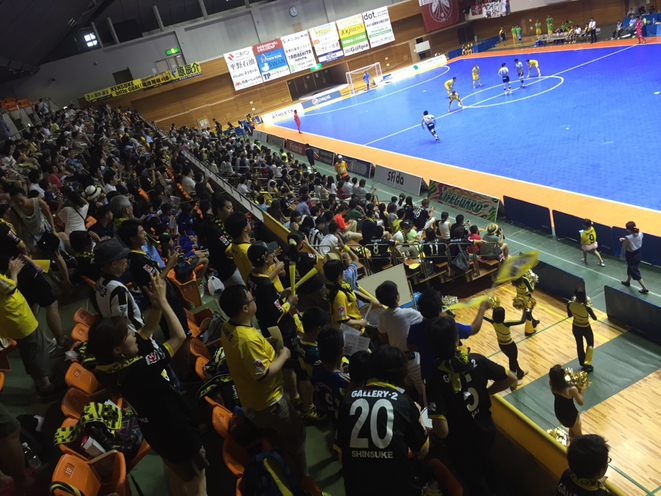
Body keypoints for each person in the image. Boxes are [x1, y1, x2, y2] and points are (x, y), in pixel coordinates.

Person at [88, 275, 208, 496]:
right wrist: (164, 303)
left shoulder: (113, 367)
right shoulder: (139, 369)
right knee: (197, 478)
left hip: (156, 432)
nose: (134, 334)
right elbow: (179, 335)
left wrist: (155, 306)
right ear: (117, 349)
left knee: (178, 472)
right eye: (128, 334)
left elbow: (146, 331)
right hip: (176, 431)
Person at [218, 285, 308, 477]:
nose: (254, 301)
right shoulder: (247, 340)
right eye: (251, 300)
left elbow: (247, 355)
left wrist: (265, 343)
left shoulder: (228, 327)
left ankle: (285, 466)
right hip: (269, 402)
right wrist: (283, 355)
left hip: (251, 400)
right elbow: (264, 376)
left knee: (276, 437)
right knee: (296, 435)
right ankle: (302, 478)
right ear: (245, 308)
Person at [426, 316, 516, 496]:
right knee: (487, 463)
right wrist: (487, 392)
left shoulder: (434, 379)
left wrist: (432, 429)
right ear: (456, 339)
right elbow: (511, 378)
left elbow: (442, 431)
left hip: (462, 444)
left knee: (475, 481)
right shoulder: (476, 360)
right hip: (486, 430)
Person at [336, 345, 429, 496]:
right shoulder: (404, 402)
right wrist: (418, 414)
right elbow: (423, 450)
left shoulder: (347, 400)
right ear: (401, 374)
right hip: (398, 488)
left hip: (357, 488)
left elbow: (341, 457)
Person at [0, 256, 58, 395]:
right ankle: (46, 386)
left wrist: (8, 274)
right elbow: (10, 287)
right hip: (18, 318)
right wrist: (13, 272)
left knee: (27, 351)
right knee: (37, 349)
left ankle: (40, 382)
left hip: (9, 320)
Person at [376, 280, 425, 402]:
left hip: (398, 359)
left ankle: (408, 405)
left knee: (408, 385)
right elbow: (426, 320)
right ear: (397, 296)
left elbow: (382, 336)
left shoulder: (383, 316)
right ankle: (419, 415)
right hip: (413, 359)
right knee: (422, 391)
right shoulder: (409, 313)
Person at [311, 327, 350, 426]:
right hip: (343, 419)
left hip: (329, 412)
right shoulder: (345, 381)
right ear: (341, 351)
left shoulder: (316, 366)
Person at [296, 307, 328, 422]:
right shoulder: (315, 353)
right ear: (318, 329)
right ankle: (308, 411)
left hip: (306, 374)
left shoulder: (299, 341)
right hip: (316, 381)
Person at [484, 307, 528, 389]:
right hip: (510, 345)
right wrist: (525, 309)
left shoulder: (492, 321)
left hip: (501, 345)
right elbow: (522, 321)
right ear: (503, 316)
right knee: (512, 361)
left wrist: (485, 308)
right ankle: (513, 383)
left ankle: (520, 373)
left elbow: (483, 316)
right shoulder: (506, 323)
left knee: (513, 359)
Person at [207, 193, 242, 288]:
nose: (232, 211)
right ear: (219, 210)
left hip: (235, 265)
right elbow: (230, 252)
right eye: (229, 208)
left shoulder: (224, 223)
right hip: (229, 271)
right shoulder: (214, 228)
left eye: (232, 207)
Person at [549, 364, 584, 441]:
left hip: (560, 414)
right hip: (571, 415)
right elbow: (581, 402)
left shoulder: (552, 384)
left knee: (571, 430)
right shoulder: (571, 389)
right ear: (563, 376)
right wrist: (579, 390)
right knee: (580, 438)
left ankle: (571, 446)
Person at [567, 288, 597, 373]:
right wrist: (590, 306)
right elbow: (595, 318)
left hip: (576, 327)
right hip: (586, 328)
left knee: (579, 344)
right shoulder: (586, 307)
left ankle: (582, 362)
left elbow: (569, 315)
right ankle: (587, 364)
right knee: (590, 344)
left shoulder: (570, 304)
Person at [620, 221, 648, 294]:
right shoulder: (640, 234)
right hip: (638, 253)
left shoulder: (628, 237)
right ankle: (627, 281)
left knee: (634, 271)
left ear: (628, 229)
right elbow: (633, 240)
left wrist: (624, 241)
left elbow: (624, 247)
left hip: (631, 255)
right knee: (630, 268)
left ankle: (644, 288)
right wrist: (624, 239)